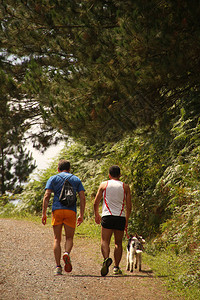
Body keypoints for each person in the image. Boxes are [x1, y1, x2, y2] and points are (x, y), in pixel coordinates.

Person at [42, 159, 86, 275]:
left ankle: (58, 267)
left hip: (57, 210)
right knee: (69, 238)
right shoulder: (76, 179)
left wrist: (44, 213)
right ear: (69, 169)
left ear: (58, 169)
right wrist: (81, 214)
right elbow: (82, 197)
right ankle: (66, 253)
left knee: (57, 238)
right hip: (70, 211)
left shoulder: (53, 178)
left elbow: (46, 196)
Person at [94, 165, 132, 276]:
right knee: (118, 243)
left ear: (109, 175)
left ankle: (106, 259)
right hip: (120, 217)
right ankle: (116, 267)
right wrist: (127, 220)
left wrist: (97, 214)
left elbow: (96, 202)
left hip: (107, 216)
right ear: (120, 175)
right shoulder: (125, 187)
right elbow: (129, 206)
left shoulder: (104, 185)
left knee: (105, 241)